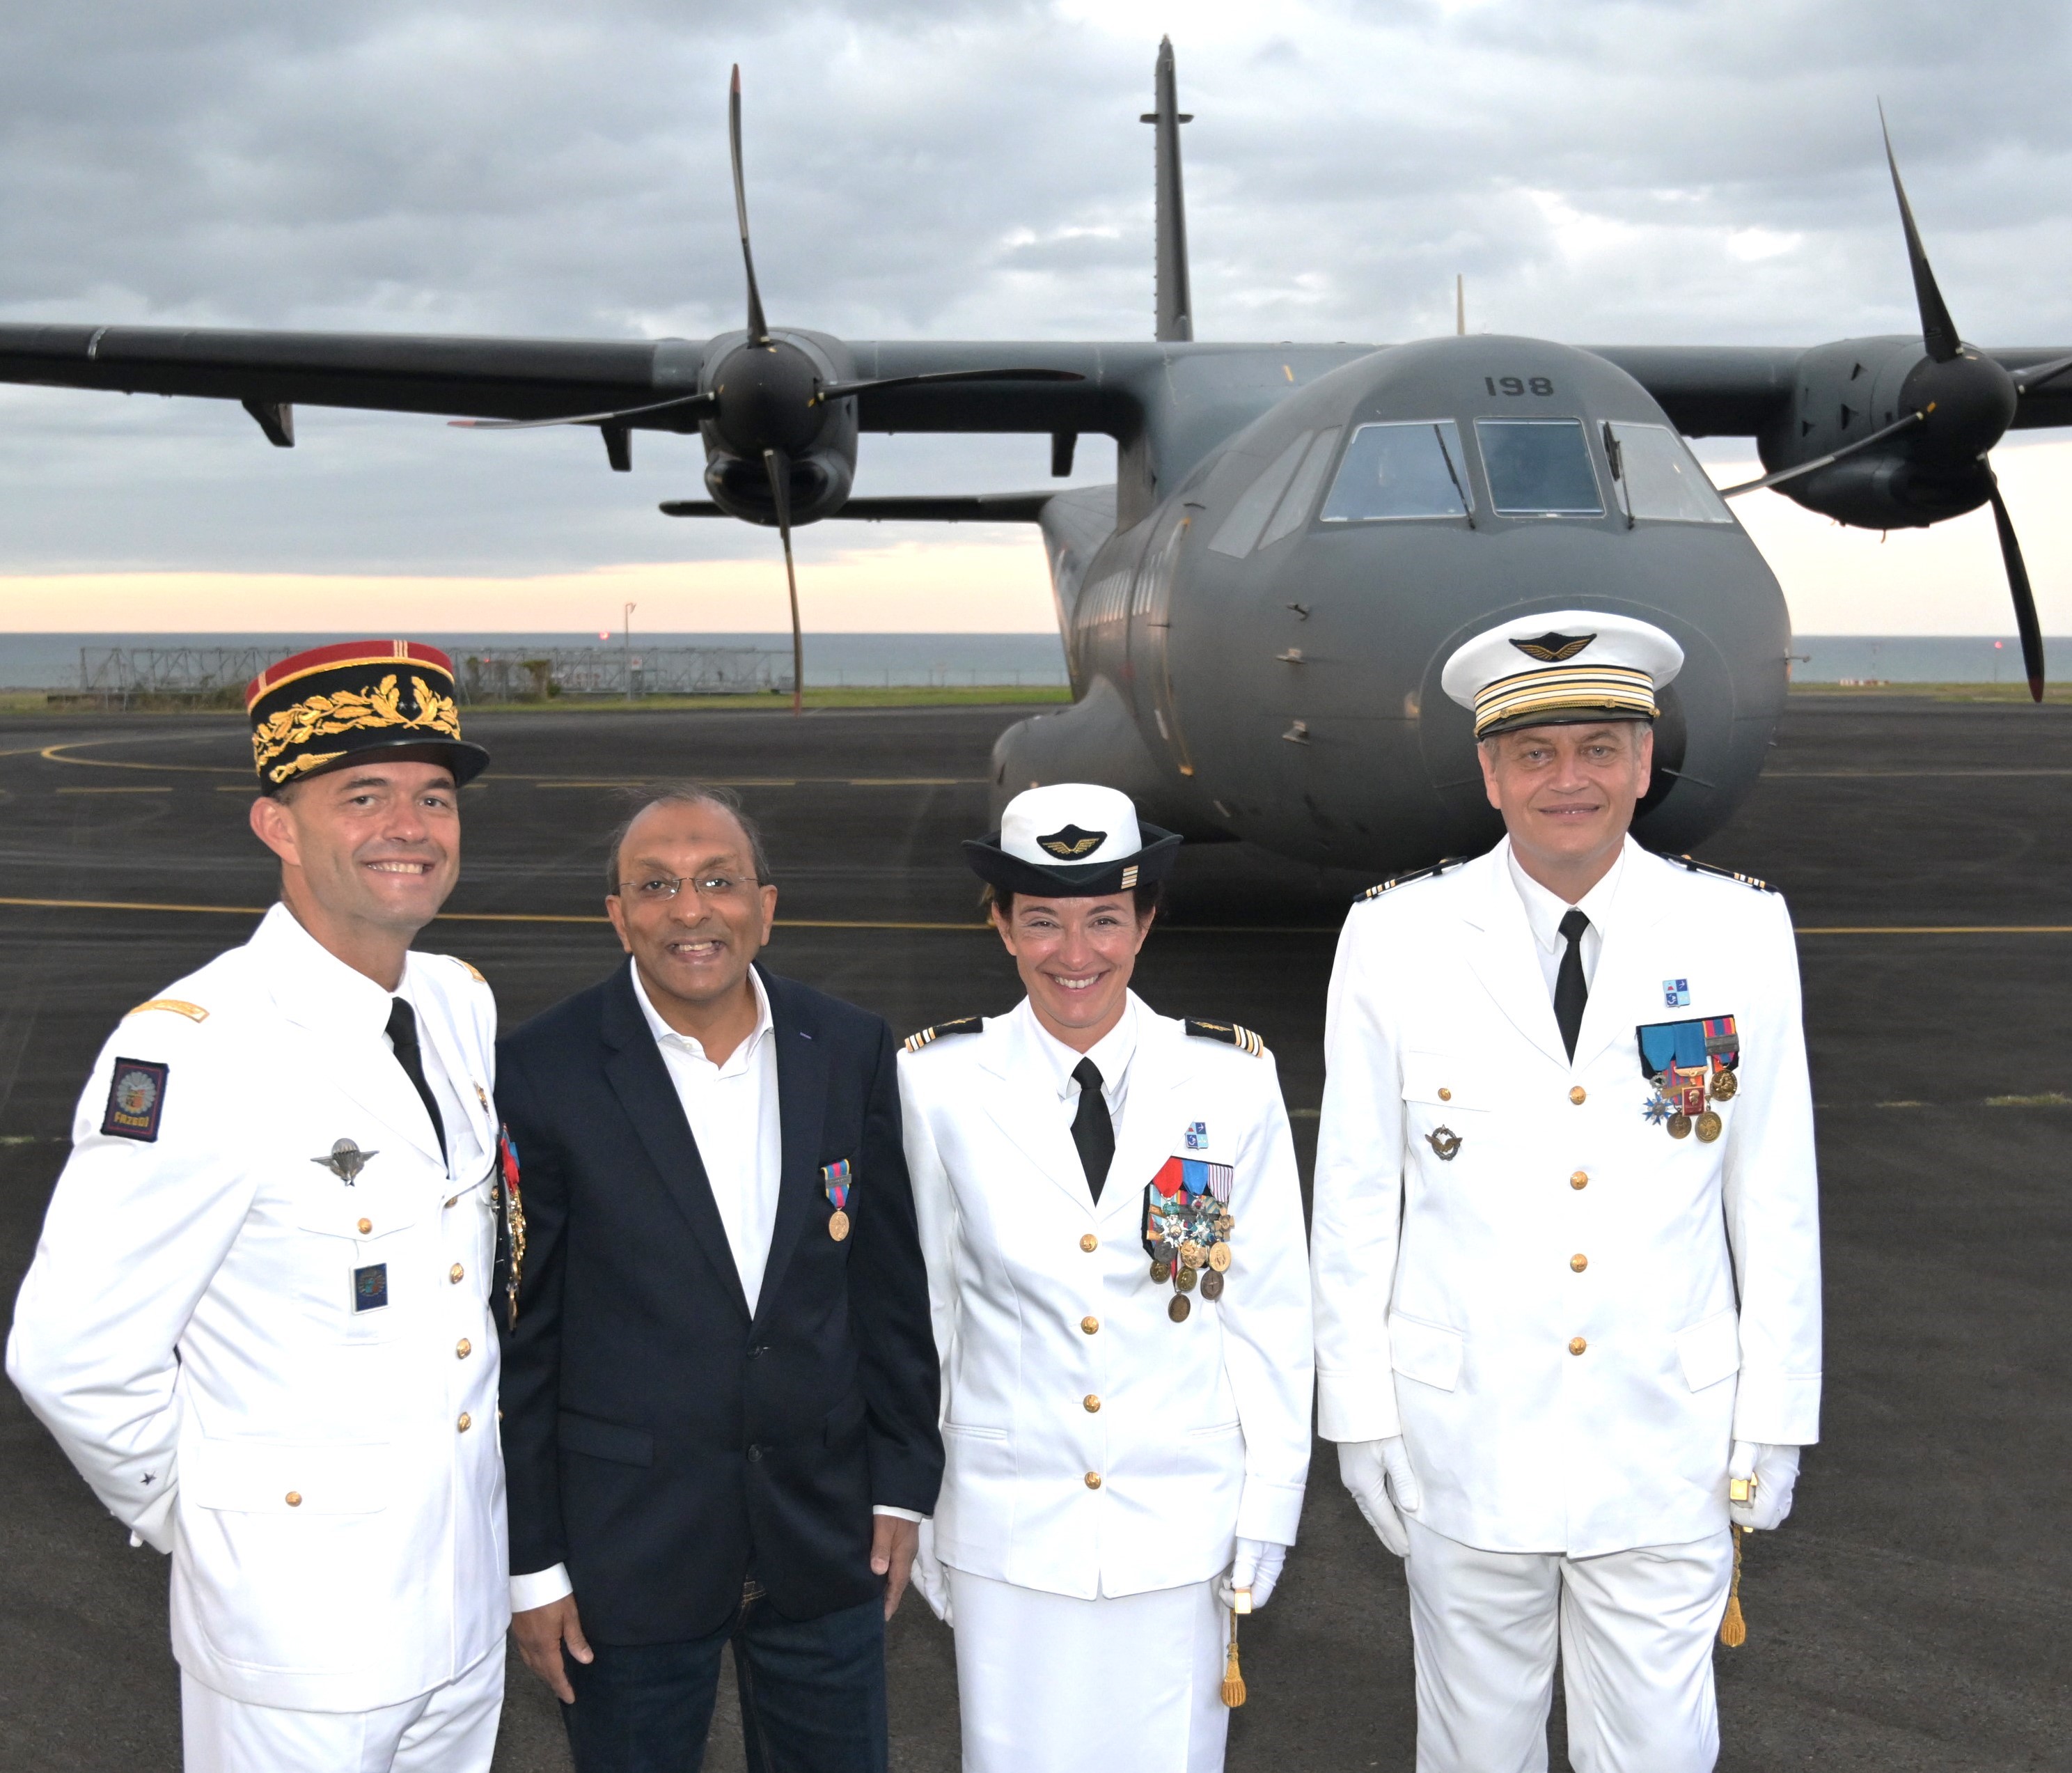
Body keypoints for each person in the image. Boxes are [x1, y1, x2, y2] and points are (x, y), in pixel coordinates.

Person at [1311, 610, 1822, 1772]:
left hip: (1669, 1446)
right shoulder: (1394, 937)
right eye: (1535, 753)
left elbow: (1774, 1193)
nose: (1570, 779)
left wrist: (1777, 1417)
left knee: (1659, 1749)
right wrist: (1360, 1416)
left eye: (1599, 745)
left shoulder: (1738, 930)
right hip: (1462, 1440)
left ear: (1646, 761)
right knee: (1475, 1751)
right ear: (1489, 772)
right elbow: (1351, 1201)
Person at [8, 641, 512, 1772]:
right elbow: (70, 1353)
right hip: (295, 1642)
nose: (411, 826)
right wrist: (218, 1522)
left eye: (434, 796)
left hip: (461, 1614)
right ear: (277, 825)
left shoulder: (454, 1002)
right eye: (362, 795)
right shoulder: (197, 1052)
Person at [496, 783, 942, 1773]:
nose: (690, 910)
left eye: (717, 881)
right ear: (617, 916)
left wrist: (902, 1485)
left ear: (767, 903)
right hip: (625, 1558)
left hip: (824, 1541)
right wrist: (532, 1563)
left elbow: (886, 1288)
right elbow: (522, 1340)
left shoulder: (851, 1047)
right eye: (655, 885)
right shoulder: (540, 1070)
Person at [898, 783, 1313, 1773]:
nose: (1074, 954)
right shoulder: (937, 1081)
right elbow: (926, 1311)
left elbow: (1269, 1312)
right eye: (1041, 919)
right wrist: (920, 1500)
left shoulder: (1231, 1079)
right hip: (1009, 1515)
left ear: (1147, 919)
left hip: (1181, 1515)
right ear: (999, 924)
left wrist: (1272, 1499)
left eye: (1103, 920)